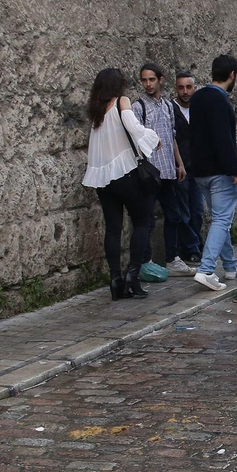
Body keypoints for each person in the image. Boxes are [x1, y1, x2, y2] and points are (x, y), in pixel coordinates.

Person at [81, 67, 161, 301]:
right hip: (125, 172)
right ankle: (132, 277)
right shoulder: (121, 102)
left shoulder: (97, 110)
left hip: (102, 179)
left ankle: (115, 279)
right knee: (142, 223)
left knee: (113, 229)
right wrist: (152, 139)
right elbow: (133, 126)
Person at [132, 63, 200, 275]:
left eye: (151, 79)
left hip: (168, 170)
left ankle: (172, 258)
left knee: (174, 215)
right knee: (147, 219)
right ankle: (146, 261)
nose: (148, 84)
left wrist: (179, 163)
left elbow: (172, 137)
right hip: (150, 172)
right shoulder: (138, 107)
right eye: (144, 80)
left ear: (160, 80)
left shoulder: (168, 106)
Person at [188, 54, 237, 292]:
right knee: (222, 219)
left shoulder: (198, 97)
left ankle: (231, 266)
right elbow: (222, 139)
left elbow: (205, 136)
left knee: (219, 220)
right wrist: (236, 170)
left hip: (200, 170)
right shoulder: (221, 101)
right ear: (232, 75)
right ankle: (206, 269)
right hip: (219, 171)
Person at [173, 71, 205, 268]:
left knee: (197, 211)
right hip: (180, 168)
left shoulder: (198, 109)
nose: (185, 92)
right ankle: (191, 249)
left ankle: (194, 247)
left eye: (188, 87)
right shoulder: (172, 109)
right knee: (183, 211)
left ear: (195, 88)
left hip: (198, 167)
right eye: (181, 87)